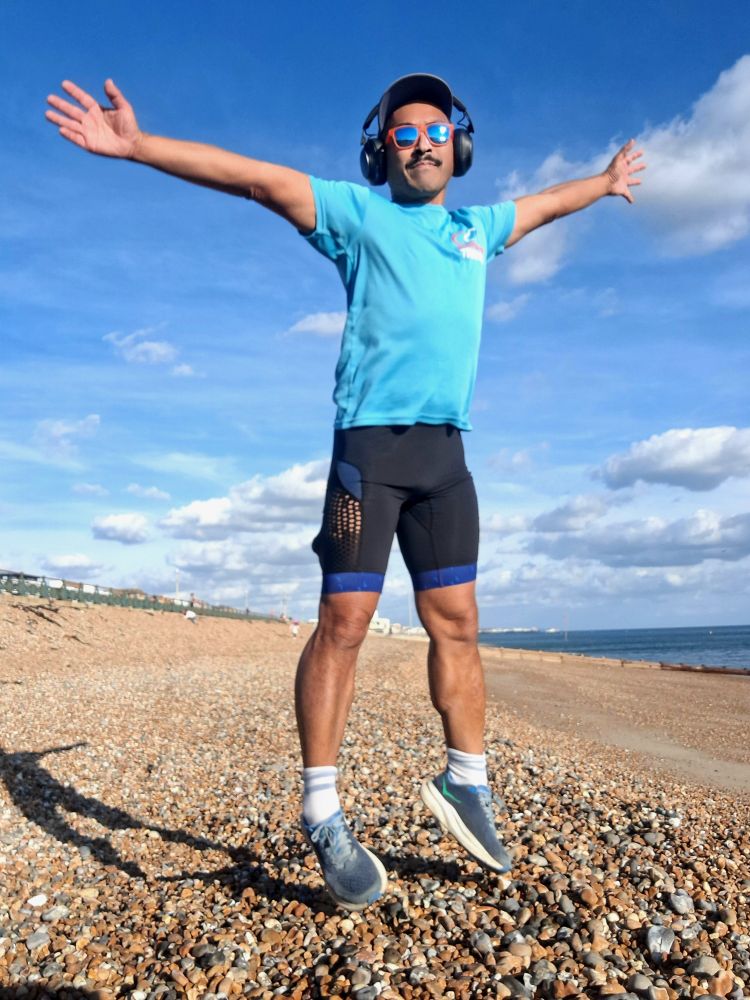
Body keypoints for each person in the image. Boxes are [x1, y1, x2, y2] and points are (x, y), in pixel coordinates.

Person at [46, 73, 645, 910]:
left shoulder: (478, 229)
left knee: (460, 623)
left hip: (447, 458)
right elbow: (254, 178)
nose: (423, 142)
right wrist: (139, 146)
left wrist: (607, 182)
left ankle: (467, 782)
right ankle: (322, 812)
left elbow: (546, 204)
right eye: (404, 133)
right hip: (368, 455)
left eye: (437, 131)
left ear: (459, 147)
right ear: (381, 150)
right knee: (345, 623)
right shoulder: (356, 217)